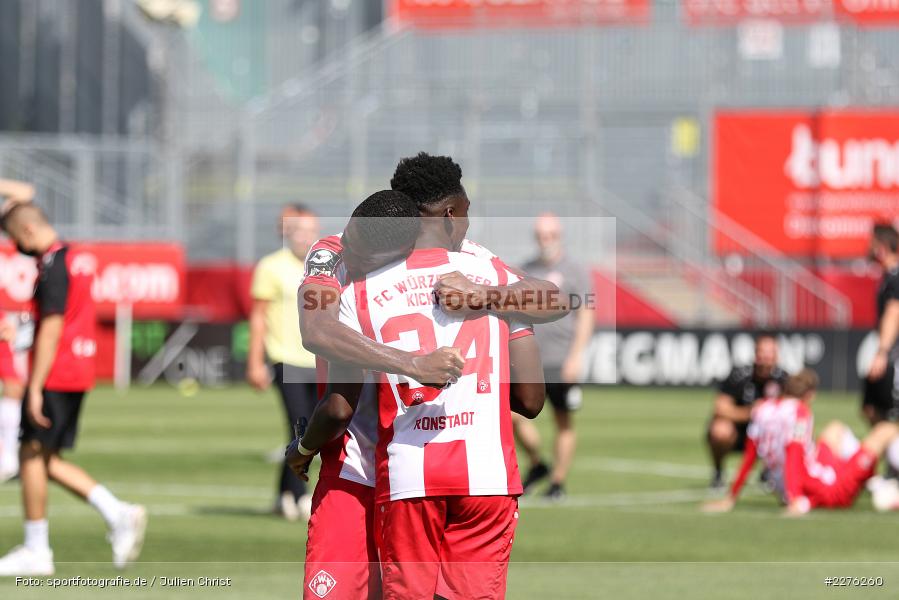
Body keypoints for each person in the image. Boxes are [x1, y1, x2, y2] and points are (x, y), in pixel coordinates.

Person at [295, 153, 567, 599]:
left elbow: (555, 298)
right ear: (446, 214)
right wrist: (413, 365)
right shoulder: (333, 253)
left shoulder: (472, 261)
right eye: (465, 214)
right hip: (360, 466)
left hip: (406, 468)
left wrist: (486, 295)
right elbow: (317, 330)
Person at [0, 203, 146, 576]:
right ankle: (118, 513)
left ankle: (37, 549)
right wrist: (21, 336)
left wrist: (34, 385)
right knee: (43, 460)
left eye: (17, 239)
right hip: (76, 367)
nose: (18, 247)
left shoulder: (51, 266)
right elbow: (64, 318)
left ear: (28, 231)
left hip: (55, 372)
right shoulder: (76, 257)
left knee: (30, 455)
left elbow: (52, 327)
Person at [702, 369, 899, 515]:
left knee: (834, 429)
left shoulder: (763, 409)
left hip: (800, 483)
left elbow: (750, 454)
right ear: (810, 395)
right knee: (885, 430)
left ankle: (872, 480)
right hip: (826, 491)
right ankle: (879, 483)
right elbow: (793, 452)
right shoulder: (800, 412)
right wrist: (795, 500)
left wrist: (731, 498)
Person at [247, 204, 320, 521]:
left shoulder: (326, 267)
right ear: (287, 233)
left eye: (311, 231)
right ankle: (301, 497)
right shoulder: (271, 267)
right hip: (285, 357)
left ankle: (283, 495)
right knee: (301, 428)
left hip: (318, 359)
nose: (306, 237)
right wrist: (255, 362)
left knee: (308, 429)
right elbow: (258, 317)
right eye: (299, 231)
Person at [514, 212, 594, 500]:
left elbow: (586, 315)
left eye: (549, 235)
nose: (544, 240)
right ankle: (538, 463)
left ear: (559, 235)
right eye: (540, 235)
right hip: (529, 361)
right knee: (512, 417)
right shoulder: (525, 269)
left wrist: (576, 356)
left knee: (563, 421)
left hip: (562, 360)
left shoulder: (575, 270)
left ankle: (558, 482)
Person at [706, 334, 788, 489]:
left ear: (777, 356)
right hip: (739, 433)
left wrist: (767, 414)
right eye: (762, 352)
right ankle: (718, 472)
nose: (765, 357)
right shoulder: (739, 376)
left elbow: (793, 411)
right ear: (755, 354)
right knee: (719, 430)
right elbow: (720, 408)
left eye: (770, 353)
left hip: (766, 436)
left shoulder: (783, 379)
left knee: (789, 431)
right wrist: (751, 413)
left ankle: (769, 471)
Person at [0, 180, 36, 481]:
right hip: (4, 315)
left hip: (20, 317)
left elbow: (25, 192)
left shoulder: (19, 235)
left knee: (15, 385)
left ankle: (8, 455)